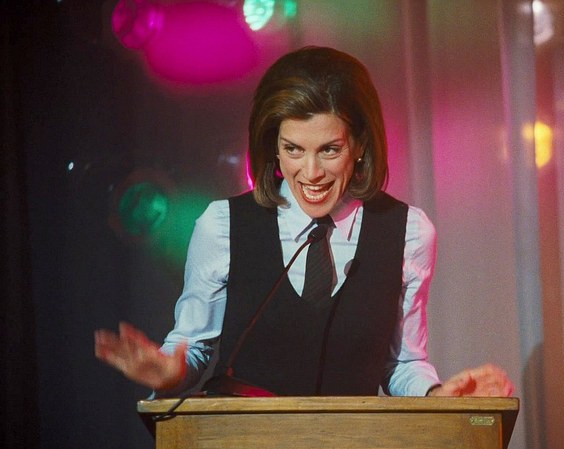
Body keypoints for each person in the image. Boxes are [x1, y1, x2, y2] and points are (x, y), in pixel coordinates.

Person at [94, 46, 514, 398]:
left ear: (360, 146)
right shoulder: (221, 227)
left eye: (329, 150)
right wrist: (169, 373)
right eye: (294, 149)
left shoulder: (408, 233)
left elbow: (401, 363)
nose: (310, 173)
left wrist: (437, 396)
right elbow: (193, 350)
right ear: (273, 147)